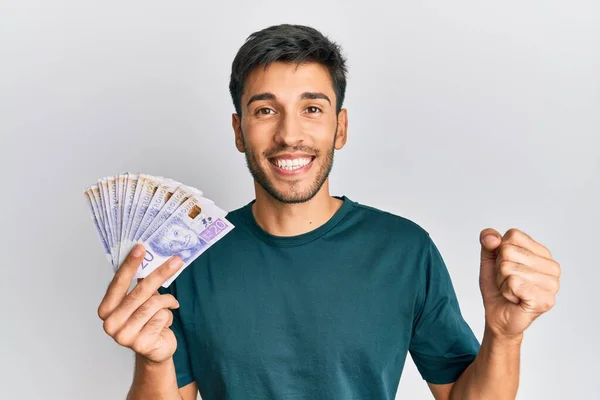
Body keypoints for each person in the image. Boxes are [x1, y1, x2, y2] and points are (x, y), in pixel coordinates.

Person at [97, 24, 561, 400]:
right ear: (239, 131)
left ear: (340, 127)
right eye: (265, 111)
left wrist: (504, 336)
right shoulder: (187, 258)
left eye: (312, 109)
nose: (289, 135)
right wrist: (154, 361)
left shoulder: (404, 250)